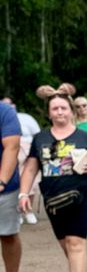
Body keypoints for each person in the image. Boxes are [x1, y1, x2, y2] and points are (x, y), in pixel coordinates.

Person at [18, 86, 87, 272]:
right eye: (55, 108)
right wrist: (23, 193)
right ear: (49, 113)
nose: (59, 112)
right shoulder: (40, 138)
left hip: (82, 195)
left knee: (76, 242)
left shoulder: (85, 137)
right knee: (65, 244)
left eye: (63, 108)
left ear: (71, 111)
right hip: (53, 199)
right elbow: (30, 168)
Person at [4, 96, 42, 225]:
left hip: (30, 149)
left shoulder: (26, 117)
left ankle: (28, 210)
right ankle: (18, 212)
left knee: (33, 182)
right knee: (16, 181)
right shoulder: (3, 118)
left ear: (14, 105)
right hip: (12, 152)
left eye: (9, 104)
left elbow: (37, 134)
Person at [0, 100, 22, 272]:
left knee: (7, 234)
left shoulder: (4, 112)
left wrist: (2, 181)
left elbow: (11, 147)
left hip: (5, 188)